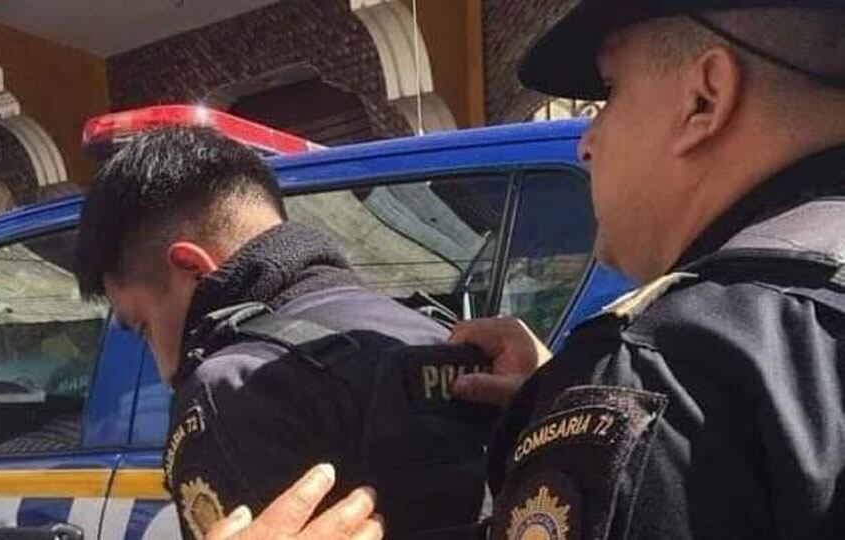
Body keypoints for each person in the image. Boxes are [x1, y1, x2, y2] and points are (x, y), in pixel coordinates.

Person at [207, 0, 845, 538]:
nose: (587, 142)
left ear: (704, 98)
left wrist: (607, 413)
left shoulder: (670, 371)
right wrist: (556, 400)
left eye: (609, 94)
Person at [74, 127, 494, 540]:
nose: (165, 372)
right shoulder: (436, 332)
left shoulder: (232, 388)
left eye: (144, 327)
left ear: (193, 268)